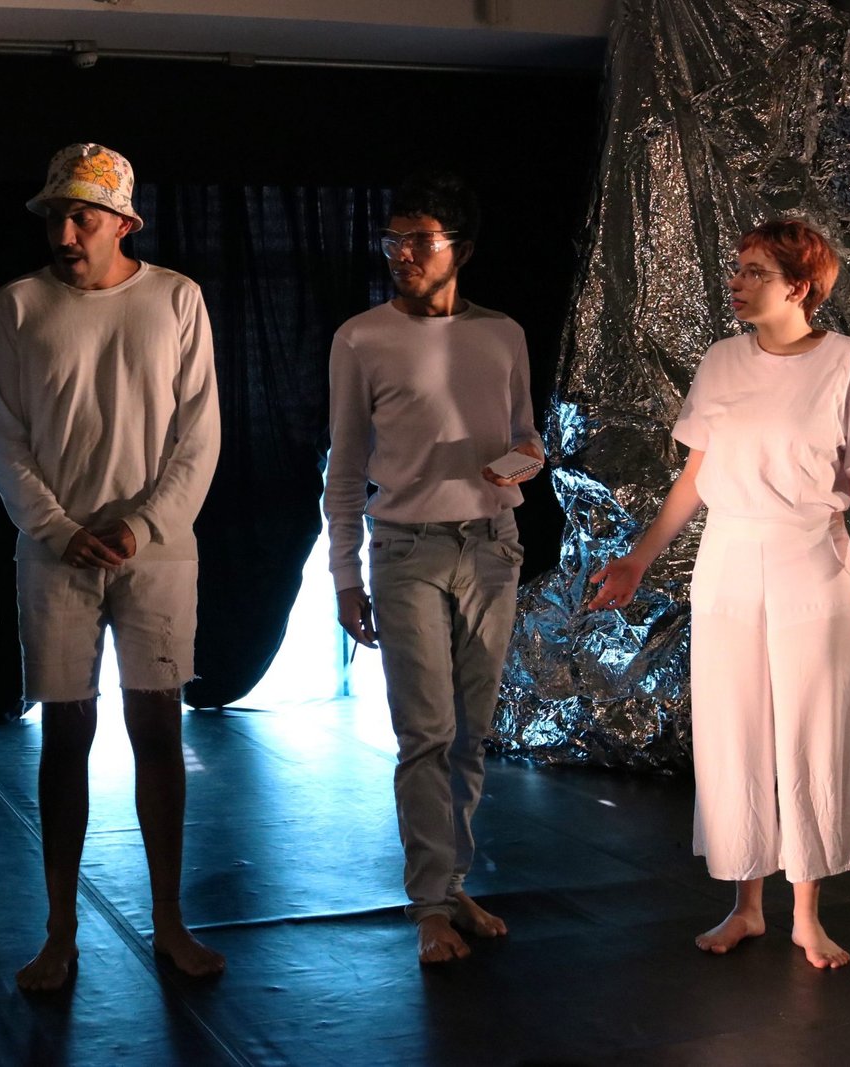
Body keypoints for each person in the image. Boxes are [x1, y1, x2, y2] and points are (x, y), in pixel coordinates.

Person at [588, 219, 850, 970]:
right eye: (738, 268)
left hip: (811, 557)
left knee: (809, 728)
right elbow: (697, 474)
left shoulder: (846, 362)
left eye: (755, 270)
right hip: (730, 558)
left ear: (799, 286)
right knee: (735, 728)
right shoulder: (723, 360)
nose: (736, 280)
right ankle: (745, 906)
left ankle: (805, 914)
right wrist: (638, 559)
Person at [0, 143, 223, 992]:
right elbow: (4, 438)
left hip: (157, 553)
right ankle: (59, 930)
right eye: (55, 213)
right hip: (56, 555)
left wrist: (144, 524)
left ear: (125, 222)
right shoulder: (17, 305)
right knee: (65, 736)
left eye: (82, 214)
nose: (66, 229)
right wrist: (55, 525)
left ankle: (168, 920)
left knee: (159, 727)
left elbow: (199, 435)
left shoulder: (176, 298)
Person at [324, 171, 544, 965]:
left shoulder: (503, 333)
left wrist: (520, 462)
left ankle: (453, 883)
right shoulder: (361, 337)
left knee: (471, 736)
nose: (402, 255)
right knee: (426, 731)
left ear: (464, 250)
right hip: (406, 548)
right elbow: (343, 468)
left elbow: (525, 437)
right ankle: (428, 905)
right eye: (393, 240)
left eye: (420, 241)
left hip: (490, 545)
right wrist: (345, 577)